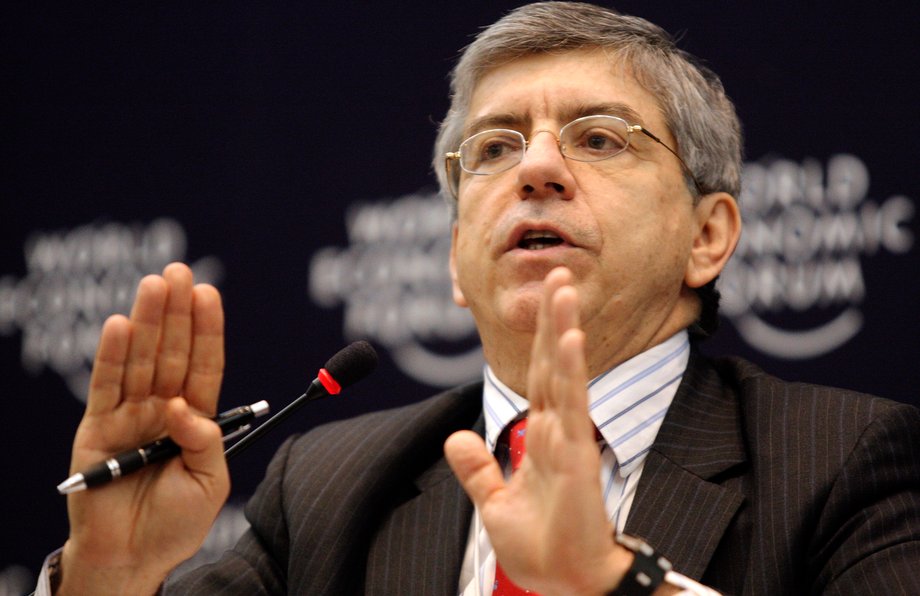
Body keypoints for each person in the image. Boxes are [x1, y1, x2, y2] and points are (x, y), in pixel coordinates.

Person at [38, 2, 920, 595]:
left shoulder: (848, 460)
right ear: (457, 263)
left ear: (708, 237)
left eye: (600, 138)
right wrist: (106, 577)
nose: (536, 167)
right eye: (494, 149)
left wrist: (617, 584)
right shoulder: (327, 487)